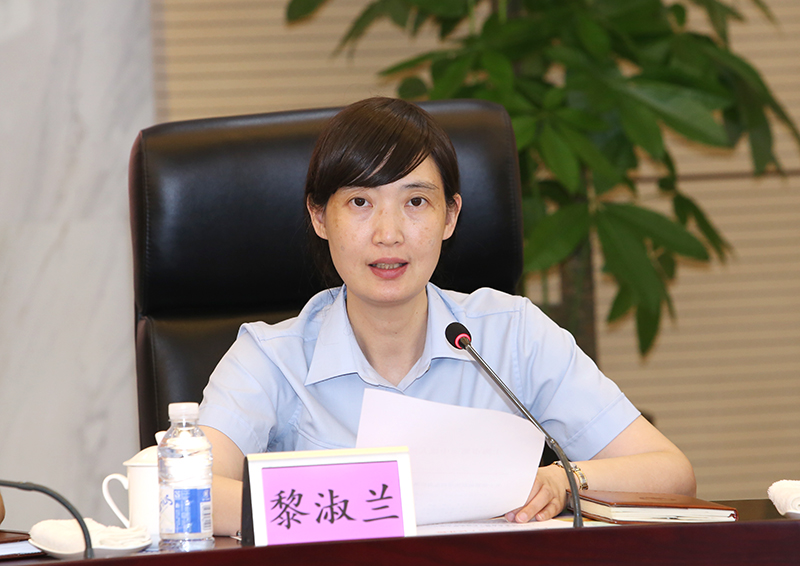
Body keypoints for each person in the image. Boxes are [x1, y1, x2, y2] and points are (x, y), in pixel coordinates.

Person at [198, 97, 696, 535]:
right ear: (319, 216)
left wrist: (562, 481)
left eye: (415, 201)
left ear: (451, 216)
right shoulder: (271, 358)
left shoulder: (511, 334)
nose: (389, 233)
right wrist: (361, 501)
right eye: (360, 202)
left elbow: (671, 473)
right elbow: (186, 491)